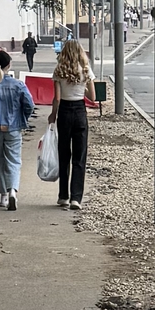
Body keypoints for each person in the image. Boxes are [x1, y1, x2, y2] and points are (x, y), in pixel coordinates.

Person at [0, 48, 33, 210]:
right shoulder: (18, 85)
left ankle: (3, 196)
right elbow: (29, 105)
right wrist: (22, 118)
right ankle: (12, 192)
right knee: (14, 161)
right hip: (13, 128)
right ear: (9, 65)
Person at [51, 36, 92, 209]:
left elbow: (57, 99)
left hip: (65, 112)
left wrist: (53, 115)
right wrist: (83, 87)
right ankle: (76, 198)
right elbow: (93, 97)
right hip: (80, 111)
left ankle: (63, 196)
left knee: (64, 154)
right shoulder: (85, 70)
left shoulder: (59, 70)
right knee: (79, 156)